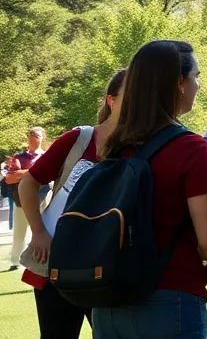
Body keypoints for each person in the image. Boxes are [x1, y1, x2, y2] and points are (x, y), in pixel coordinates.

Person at [91, 40, 207, 339]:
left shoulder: (114, 147)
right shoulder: (190, 148)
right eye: (196, 76)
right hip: (171, 298)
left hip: (108, 301)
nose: (198, 83)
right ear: (179, 83)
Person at [18, 69, 126, 339]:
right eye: (131, 95)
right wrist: (39, 232)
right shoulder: (78, 139)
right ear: (110, 100)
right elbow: (27, 183)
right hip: (58, 264)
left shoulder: (142, 146)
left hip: (112, 269)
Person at [5, 126, 46, 271]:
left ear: (43, 138)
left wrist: (22, 173)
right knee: (19, 232)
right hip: (22, 199)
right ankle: (15, 262)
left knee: (43, 230)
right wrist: (32, 172)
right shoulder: (19, 157)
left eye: (37, 135)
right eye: (32, 134)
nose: (34, 137)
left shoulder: (46, 156)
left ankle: (40, 258)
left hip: (44, 199)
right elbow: (10, 178)